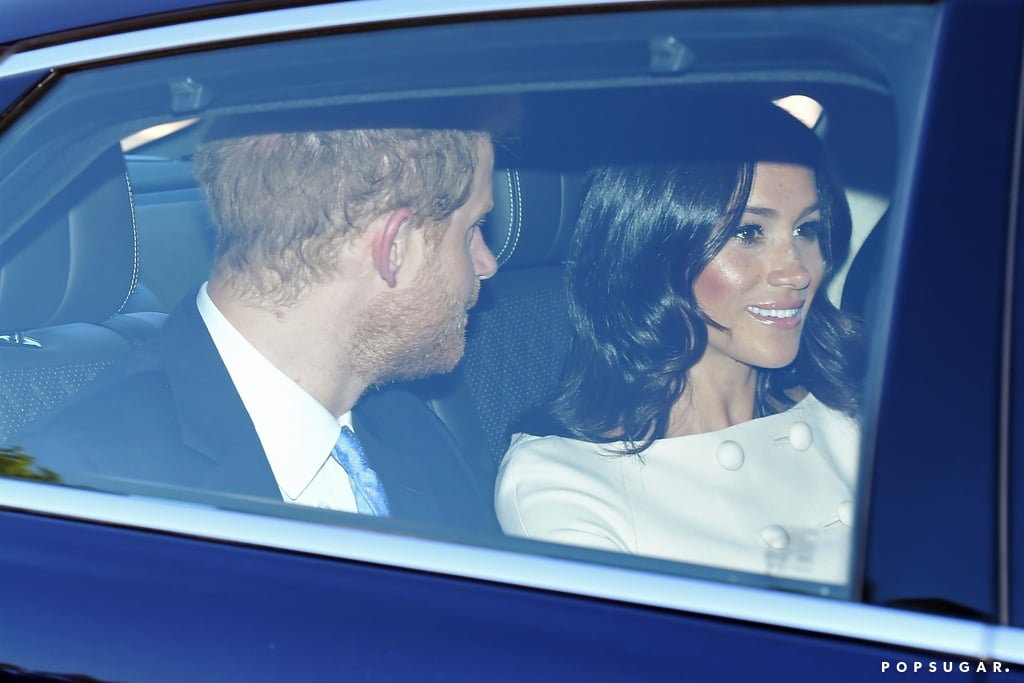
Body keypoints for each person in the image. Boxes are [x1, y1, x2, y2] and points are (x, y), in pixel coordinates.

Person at [11, 126, 500, 534]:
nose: (486, 263)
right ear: (392, 249)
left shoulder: (411, 431)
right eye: (472, 228)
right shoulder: (79, 499)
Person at [494, 102, 864, 583]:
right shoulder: (566, 483)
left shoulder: (850, 409)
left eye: (805, 229)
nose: (796, 271)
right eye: (749, 232)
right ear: (652, 250)